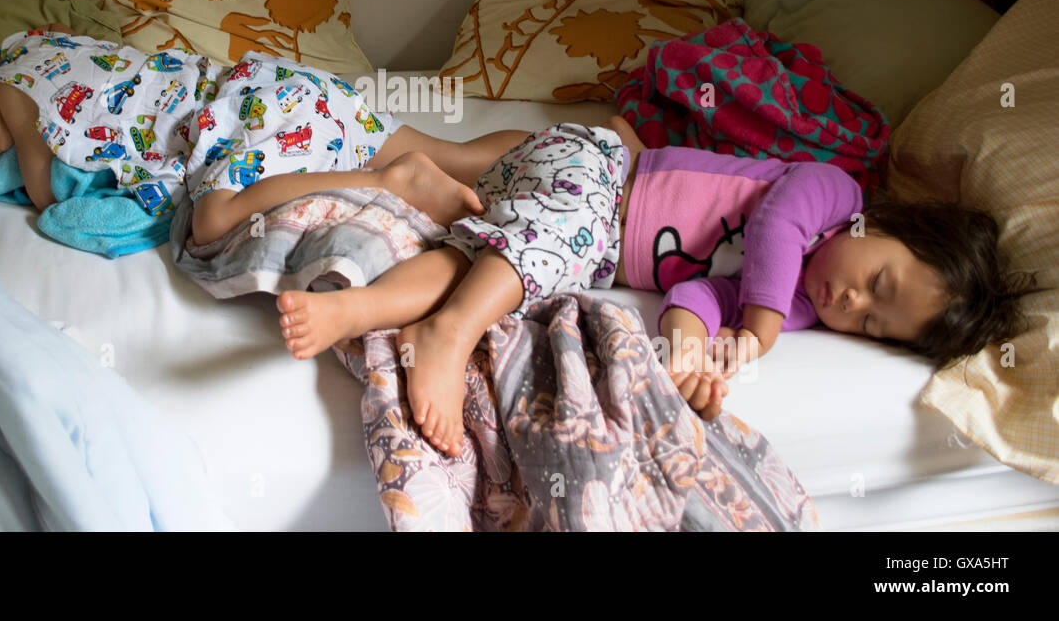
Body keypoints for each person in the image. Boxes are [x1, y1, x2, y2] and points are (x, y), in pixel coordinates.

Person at [276, 116, 1030, 457]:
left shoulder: (802, 306)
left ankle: (400, 169)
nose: (851, 304)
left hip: (585, 225)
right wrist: (761, 329)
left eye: (872, 325)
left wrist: (691, 354)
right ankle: (447, 333)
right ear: (888, 227)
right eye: (878, 283)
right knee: (545, 245)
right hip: (607, 178)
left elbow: (697, 297)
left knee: (504, 252)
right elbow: (774, 230)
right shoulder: (830, 198)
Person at [0, 27, 530, 247]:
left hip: (239, 117)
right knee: (460, 153)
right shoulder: (45, 40)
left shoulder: (15, 82)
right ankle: (598, 144)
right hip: (286, 89)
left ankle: (389, 182)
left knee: (212, 219)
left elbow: (42, 190)